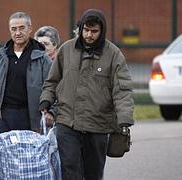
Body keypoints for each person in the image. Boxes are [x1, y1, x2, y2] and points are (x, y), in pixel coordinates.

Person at [39, 9, 134, 180]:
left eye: (94, 31)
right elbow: (52, 81)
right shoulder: (66, 49)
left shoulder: (113, 54)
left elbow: (122, 89)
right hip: (67, 122)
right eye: (86, 30)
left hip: (98, 124)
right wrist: (46, 99)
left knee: (93, 173)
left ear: (102, 31)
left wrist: (124, 118)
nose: (89, 35)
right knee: (70, 170)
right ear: (81, 28)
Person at [0, 12, 52, 133]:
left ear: (30, 29)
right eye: (13, 29)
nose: (17, 33)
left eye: (22, 28)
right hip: (3, 116)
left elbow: (52, 86)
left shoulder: (42, 58)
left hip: (31, 116)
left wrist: (51, 111)